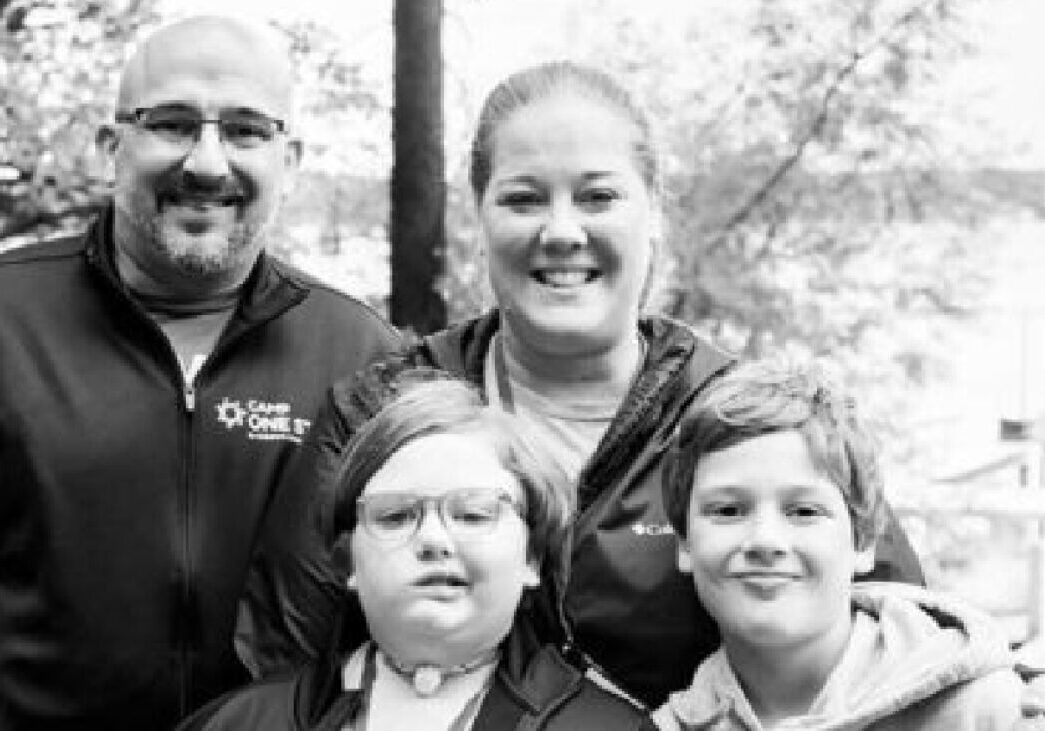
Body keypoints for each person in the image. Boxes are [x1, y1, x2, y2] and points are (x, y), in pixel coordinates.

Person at [238, 60, 924, 709]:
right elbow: (283, 669)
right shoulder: (378, 416)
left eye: (597, 196)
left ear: (652, 211)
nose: (561, 231)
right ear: (479, 214)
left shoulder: (747, 423)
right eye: (523, 198)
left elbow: (899, 644)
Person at [0, 15, 400, 730]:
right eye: (173, 123)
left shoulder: (362, 356)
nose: (209, 162)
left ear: (291, 158)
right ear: (109, 148)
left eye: (246, 129)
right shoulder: (9, 319)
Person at [178, 375, 656, 730]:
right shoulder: (242, 723)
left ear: (532, 556)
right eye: (395, 516)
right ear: (349, 563)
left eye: (472, 514)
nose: (433, 539)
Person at [653, 358, 1023, 729]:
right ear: (684, 542)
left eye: (803, 511)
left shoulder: (987, 711)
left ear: (862, 540)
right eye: (729, 510)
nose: (765, 540)